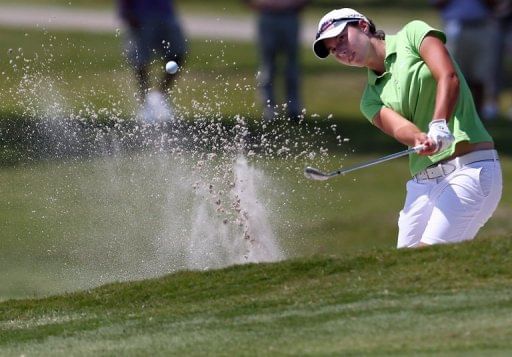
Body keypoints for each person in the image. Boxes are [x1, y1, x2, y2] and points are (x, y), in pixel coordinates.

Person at [312, 8, 502, 248]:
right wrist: (419, 138)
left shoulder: (413, 34)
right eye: (332, 49)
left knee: (425, 259)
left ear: (362, 25)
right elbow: (401, 129)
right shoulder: (370, 99)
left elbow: (448, 76)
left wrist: (439, 124)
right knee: (405, 270)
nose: (340, 50)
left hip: (469, 169)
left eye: (341, 38)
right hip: (423, 184)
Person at [117, 0, 187, 123]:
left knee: (178, 53)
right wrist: (126, 12)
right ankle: (145, 104)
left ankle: (159, 97)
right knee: (140, 59)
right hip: (140, 14)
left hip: (166, 13)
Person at [243, 0, 310, 122]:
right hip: (267, 15)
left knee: (292, 67)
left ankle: (293, 108)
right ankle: (269, 109)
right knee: (267, 66)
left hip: (290, 15)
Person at [429, 0, 496, 120]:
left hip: (481, 25)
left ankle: (478, 114)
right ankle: (454, 113)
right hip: (455, 26)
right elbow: (437, 4)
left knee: (479, 74)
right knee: (453, 73)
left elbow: (494, 4)